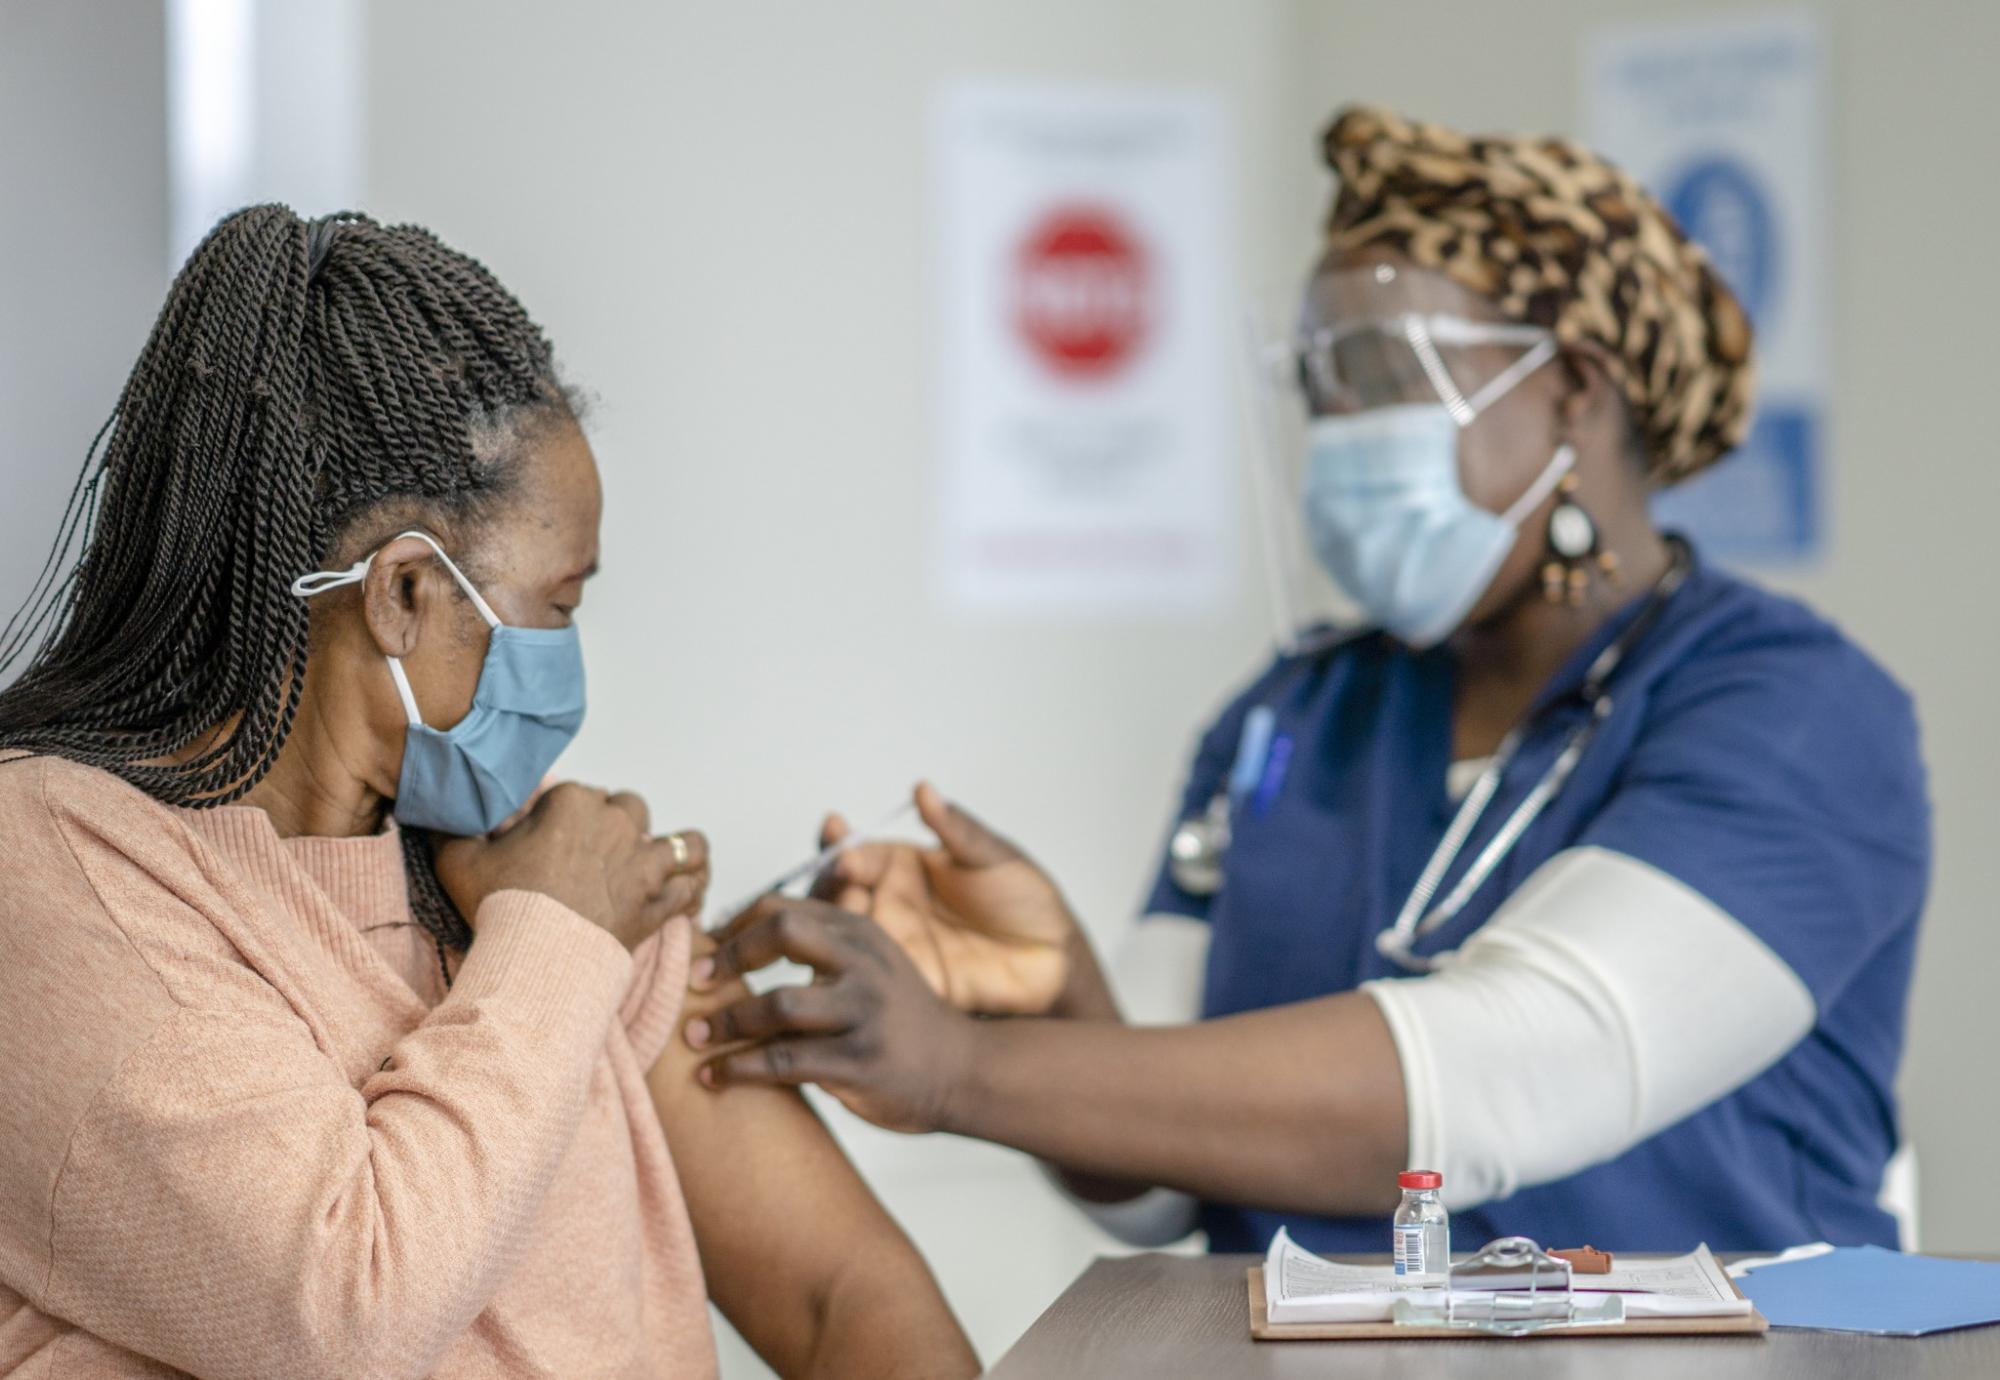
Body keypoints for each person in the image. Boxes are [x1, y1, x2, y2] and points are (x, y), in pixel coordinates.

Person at [686, 107, 1932, 1256]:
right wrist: (1054, 995)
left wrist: (959, 1068)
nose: (1341, 429)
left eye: (1384, 375)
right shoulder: (1295, 710)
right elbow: (1158, 1185)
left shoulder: (1794, 716)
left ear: (1572, 390)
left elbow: (1500, 1080)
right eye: (1320, 383)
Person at [0, 207, 976, 1379]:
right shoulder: (58, 872)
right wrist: (555, 934)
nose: (568, 658)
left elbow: (843, 1292)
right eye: (559, 604)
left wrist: (559, 915)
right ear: (405, 595)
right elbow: (347, 1310)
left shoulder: (516, 849)